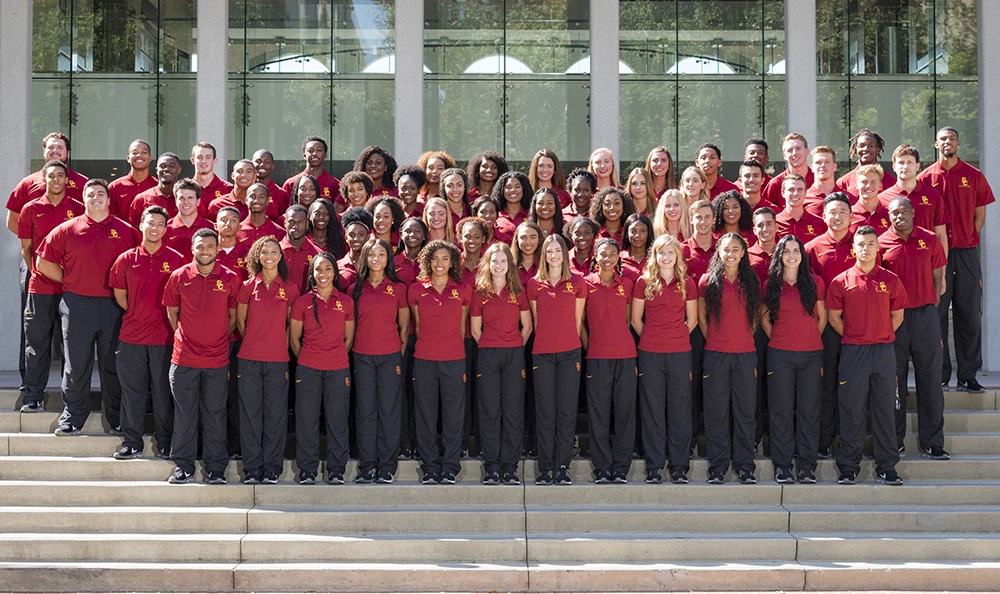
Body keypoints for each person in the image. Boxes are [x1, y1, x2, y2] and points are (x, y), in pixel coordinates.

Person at [35, 179, 140, 437]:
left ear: (107, 199)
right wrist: (69, 280)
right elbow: (42, 261)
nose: (96, 197)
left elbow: (138, 262)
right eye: (91, 194)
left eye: (101, 193)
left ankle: (115, 419)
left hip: (113, 306)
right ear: (83, 198)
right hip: (77, 304)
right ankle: (73, 417)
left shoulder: (126, 231)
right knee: (76, 363)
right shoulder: (67, 229)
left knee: (112, 365)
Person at [826, 226, 907, 486]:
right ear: (854, 249)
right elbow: (833, 318)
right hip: (853, 353)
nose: (866, 248)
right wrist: (856, 335)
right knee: (852, 410)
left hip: (883, 353)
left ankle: (887, 467)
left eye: (871, 244)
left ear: (877, 247)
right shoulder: (841, 281)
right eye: (861, 244)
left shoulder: (891, 280)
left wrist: (878, 334)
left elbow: (898, 316)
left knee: (885, 410)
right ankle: (849, 467)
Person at [918, 127, 995, 391]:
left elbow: (980, 216)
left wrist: (966, 237)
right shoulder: (925, 178)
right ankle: (940, 374)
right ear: (936, 144)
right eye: (943, 139)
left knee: (969, 315)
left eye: (951, 139)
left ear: (958, 143)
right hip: (937, 257)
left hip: (965, 254)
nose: (947, 143)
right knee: (936, 315)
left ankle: (968, 374)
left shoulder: (973, 176)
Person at [162, 228, 241, 484]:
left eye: (210, 246)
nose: (205, 251)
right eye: (200, 246)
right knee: (185, 414)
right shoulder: (178, 276)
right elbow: (172, 314)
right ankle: (183, 466)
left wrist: (215, 338)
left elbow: (233, 319)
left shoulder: (229, 278)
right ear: (192, 249)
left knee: (215, 414)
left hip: (217, 360)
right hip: (184, 359)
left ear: (217, 249)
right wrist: (189, 338)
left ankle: (215, 469)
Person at [109, 205, 185, 460]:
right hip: (131, 337)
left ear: (166, 229)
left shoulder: (176, 260)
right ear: (141, 225)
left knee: (164, 393)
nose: (155, 228)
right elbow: (120, 295)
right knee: (133, 392)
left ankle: (164, 441)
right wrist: (136, 312)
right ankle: (132, 442)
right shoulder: (126, 259)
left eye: (160, 224)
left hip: (164, 339)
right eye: (150, 223)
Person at [879, 197, 949, 460]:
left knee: (930, 378)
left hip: (925, 315)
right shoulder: (882, 243)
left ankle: (932, 442)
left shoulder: (929, 239)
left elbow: (938, 274)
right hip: (895, 319)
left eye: (904, 211)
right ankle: (894, 442)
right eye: (895, 213)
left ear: (912, 213)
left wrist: (931, 301)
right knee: (894, 381)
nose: (900, 217)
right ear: (889, 216)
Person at [17, 161, 84, 413]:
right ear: (43, 179)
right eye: (51, 176)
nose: (56, 180)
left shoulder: (78, 209)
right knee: (37, 345)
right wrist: (41, 272)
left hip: (70, 290)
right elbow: (26, 248)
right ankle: (33, 396)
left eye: (60, 176)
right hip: (41, 288)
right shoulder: (30, 209)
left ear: (67, 180)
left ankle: (72, 401)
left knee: (72, 348)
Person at [631, 234, 697, 484]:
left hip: (680, 353)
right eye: (662, 253)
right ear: (655, 256)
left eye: (671, 253)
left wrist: (675, 336)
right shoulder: (643, 281)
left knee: (679, 409)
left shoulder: (687, 283)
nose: (666, 257)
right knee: (653, 410)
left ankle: (679, 466)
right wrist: (652, 337)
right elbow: (636, 320)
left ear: (678, 256)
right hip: (650, 353)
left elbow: (693, 321)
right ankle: (654, 466)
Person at [760, 235, 826, 484]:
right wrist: (780, 339)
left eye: (795, 250)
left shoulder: (816, 283)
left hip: (811, 356)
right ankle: (783, 466)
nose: (791, 255)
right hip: (780, 356)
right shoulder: (770, 284)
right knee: (781, 412)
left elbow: (822, 318)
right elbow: (764, 319)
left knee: (809, 412)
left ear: (802, 254)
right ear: (779, 255)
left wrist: (806, 341)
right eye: (786, 251)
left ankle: (807, 466)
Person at [235, 236, 300, 485]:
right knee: (251, 415)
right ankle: (252, 468)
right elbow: (241, 323)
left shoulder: (291, 288)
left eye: (274, 251)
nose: (270, 255)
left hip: (277, 361)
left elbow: (292, 326)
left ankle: (272, 468)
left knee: (275, 416)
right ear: (257, 256)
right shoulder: (247, 285)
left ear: (280, 256)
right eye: (264, 251)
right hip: (249, 359)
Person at [697, 232, 761, 484]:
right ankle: (718, 466)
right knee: (716, 412)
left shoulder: (751, 280)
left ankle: (745, 466)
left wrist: (741, 339)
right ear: (719, 252)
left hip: (745, 355)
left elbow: (755, 318)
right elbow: (702, 319)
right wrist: (716, 340)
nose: (731, 253)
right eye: (726, 249)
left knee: (745, 412)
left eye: (736, 249)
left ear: (743, 253)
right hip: (716, 355)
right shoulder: (707, 281)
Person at [407, 240, 472, 485]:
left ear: (453, 262)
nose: (440, 263)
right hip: (424, 359)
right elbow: (418, 324)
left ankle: (450, 467)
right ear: (427, 261)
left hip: (454, 360)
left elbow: (462, 325)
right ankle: (431, 466)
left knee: (453, 416)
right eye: (435, 258)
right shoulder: (416, 290)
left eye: (445, 258)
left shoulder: (463, 290)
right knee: (425, 415)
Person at [289, 252, 354, 485]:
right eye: (318, 269)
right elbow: (294, 339)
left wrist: (332, 357)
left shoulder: (346, 301)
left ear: (335, 272)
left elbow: (348, 339)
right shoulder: (302, 301)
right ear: (312, 273)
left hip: (337, 369)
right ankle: (307, 470)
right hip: (308, 369)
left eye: (328, 269)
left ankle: (336, 470)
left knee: (337, 421)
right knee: (307, 421)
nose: (323, 273)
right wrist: (309, 358)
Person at [527, 234, 586, 485]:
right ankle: (545, 466)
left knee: (566, 411)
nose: (553, 255)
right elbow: (536, 323)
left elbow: (577, 321)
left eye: (557, 251)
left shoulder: (578, 282)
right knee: (545, 412)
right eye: (549, 251)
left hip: (569, 352)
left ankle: (562, 466)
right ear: (544, 255)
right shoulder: (533, 284)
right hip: (543, 354)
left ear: (564, 254)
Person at [471, 242, 532, 485]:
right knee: (489, 410)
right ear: (487, 264)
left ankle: (510, 466)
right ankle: (492, 466)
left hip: (513, 354)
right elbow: (475, 330)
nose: (498, 265)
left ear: (510, 265)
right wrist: (491, 343)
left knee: (513, 410)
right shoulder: (479, 293)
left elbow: (526, 327)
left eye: (503, 261)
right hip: (488, 355)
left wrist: (513, 343)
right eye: (494, 261)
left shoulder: (518, 291)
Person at [350, 239, 409, 484]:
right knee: (365, 411)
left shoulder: (398, 287)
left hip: (390, 357)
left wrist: (397, 355)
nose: (376, 258)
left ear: (388, 258)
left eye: (381, 254)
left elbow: (405, 327)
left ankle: (386, 466)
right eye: (371, 254)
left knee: (388, 412)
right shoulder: (355, 288)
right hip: (362, 356)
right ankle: (367, 466)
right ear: (364, 259)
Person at [805, 193, 857, 459]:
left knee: (852, 388)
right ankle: (824, 440)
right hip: (825, 329)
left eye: (842, 212)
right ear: (823, 216)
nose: (837, 217)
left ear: (851, 216)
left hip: (858, 328)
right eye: (832, 212)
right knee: (825, 387)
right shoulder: (812, 248)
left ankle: (850, 443)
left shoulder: (861, 245)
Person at [584, 238, 637, 484]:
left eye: (612, 254)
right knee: (599, 414)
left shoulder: (627, 284)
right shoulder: (585, 284)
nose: (608, 258)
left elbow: (627, 321)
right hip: (597, 357)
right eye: (603, 254)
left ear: (619, 257)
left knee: (624, 414)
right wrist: (591, 344)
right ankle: (602, 468)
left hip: (625, 356)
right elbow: (580, 323)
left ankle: (620, 468)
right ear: (595, 256)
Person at [7, 132, 88, 233]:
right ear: (44, 151)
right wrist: (33, 242)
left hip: (73, 248)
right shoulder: (27, 184)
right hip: (39, 248)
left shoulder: (83, 183)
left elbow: (93, 218)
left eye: (60, 147)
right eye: (51, 147)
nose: (55, 151)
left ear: (68, 153)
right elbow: (12, 221)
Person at [879, 144, 949, 253]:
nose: (905, 167)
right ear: (894, 167)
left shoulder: (933, 196)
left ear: (917, 166)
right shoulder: (882, 199)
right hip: (893, 263)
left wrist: (942, 268)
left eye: (910, 162)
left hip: (925, 262)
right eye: (901, 162)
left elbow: (941, 235)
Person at [282, 136, 342, 211]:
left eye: (319, 150)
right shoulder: (290, 183)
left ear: (325, 155)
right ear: (304, 155)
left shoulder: (336, 184)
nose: (314, 154)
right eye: (310, 150)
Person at [836, 128, 896, 197]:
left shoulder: (891, 182)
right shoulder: (843, 182)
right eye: (861, 146)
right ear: (856, 149)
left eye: (871, 146)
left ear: (877, 150)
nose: (866, 149)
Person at [280, 205, 320, 305]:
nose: (295, 226)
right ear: (285, 223)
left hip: (307, 309)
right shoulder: (274, 253)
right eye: (291, 222)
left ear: (307, 224)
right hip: (278, 308)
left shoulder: (318, 255)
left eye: (300, 222)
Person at [130, 153, 181, 227]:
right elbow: (136, 229)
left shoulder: (185, 199)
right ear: (157, 170)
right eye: (162, 166)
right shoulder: (142, 199)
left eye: (172, 166)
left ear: (179, 170)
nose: (166, 169)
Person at [763, 133, 813, 209]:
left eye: (798, 148)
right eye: (790, 150)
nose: (794, 153)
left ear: (807, 151)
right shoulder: (776, 184)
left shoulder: (818, 180)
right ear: (784, 156)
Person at [108, 139, 156, 219]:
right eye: (135, 153)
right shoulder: (115, 187)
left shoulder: (157, 186)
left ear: (150, 158)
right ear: (128, 158)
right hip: (122, 231)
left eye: (144, 152)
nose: (139, 155)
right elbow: (110, 218)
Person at [164, 178, 213, 254]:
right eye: (182, 198)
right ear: (176, 201)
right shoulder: (165, 229)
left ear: (198, 201)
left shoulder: (211, 228)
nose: (186, 202)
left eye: (190, 198)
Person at [774, 174, 826, 243]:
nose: (795, 193)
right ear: (783, 193)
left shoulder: (820, 223)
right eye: (791, 189)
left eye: (800, 189)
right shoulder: (774, 223)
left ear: (805, 193)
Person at [190, 142, 235, 216]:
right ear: (192, 160)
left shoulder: (228, 189)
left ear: (215, 161)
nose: (203, 161)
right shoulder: (185, 189)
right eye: (199, 157)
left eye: (208, 157)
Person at [851, 164, 891, 235]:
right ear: (856, 185)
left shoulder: (889, 215)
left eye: (873, 182)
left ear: (880, 186)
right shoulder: (849, 215)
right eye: (864, 182)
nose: (869, 186)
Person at [214, 206, 251, 282]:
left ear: (239, 227)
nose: (228, 224)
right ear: (216, 226)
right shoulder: (206, 252)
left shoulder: (248, 254)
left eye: (233, 220)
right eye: (224, 220)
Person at [493, 171, 532, 242]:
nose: (513, 190)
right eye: (508, 187)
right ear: (502, 190)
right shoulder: (495, 216)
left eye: (517, 187)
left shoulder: (531, 215)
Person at [252, 149, 291, 217]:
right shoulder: (244, 190)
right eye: (258, 161)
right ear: (252, 164)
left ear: (272, 166)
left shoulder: (281, 194)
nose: (262, 165)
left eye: (267, 162)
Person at [804, 146, 839, 217]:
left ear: (835, 167)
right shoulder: (803, 199)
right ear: (812, 167)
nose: (823, 165)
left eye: (827, 162)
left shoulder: (849, 199)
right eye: (818, 162)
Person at [749, 207, 778, 285]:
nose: (765, 229)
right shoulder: (746, 255)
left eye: (769, 224)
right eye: (760, 225)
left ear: (776, 227)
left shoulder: (785, 253)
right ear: (754, 230)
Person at [621, 213, 653, 281]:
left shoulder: (655, 258)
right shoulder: (618, 258)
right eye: (633, 231)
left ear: (648, 233)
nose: (637, 235)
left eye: (643, 231)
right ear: (627, 233)